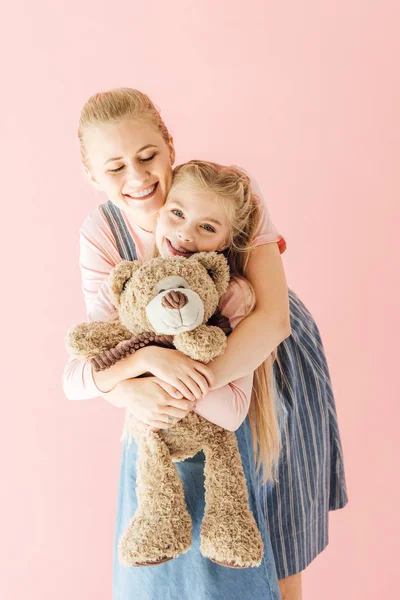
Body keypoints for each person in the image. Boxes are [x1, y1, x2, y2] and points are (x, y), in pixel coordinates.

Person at [63, 88, 348, 600]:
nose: (138, 177)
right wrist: (141, 379)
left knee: (277, 535)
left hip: (262, 367)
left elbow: (272, 319)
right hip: (170, 391)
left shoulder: (226, 192)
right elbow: (104, 352)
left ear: (170, 145)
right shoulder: (102, 232)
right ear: (91, 176)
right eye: (115, 168)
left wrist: (198, 383)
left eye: (148, 156)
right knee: (183, 539)